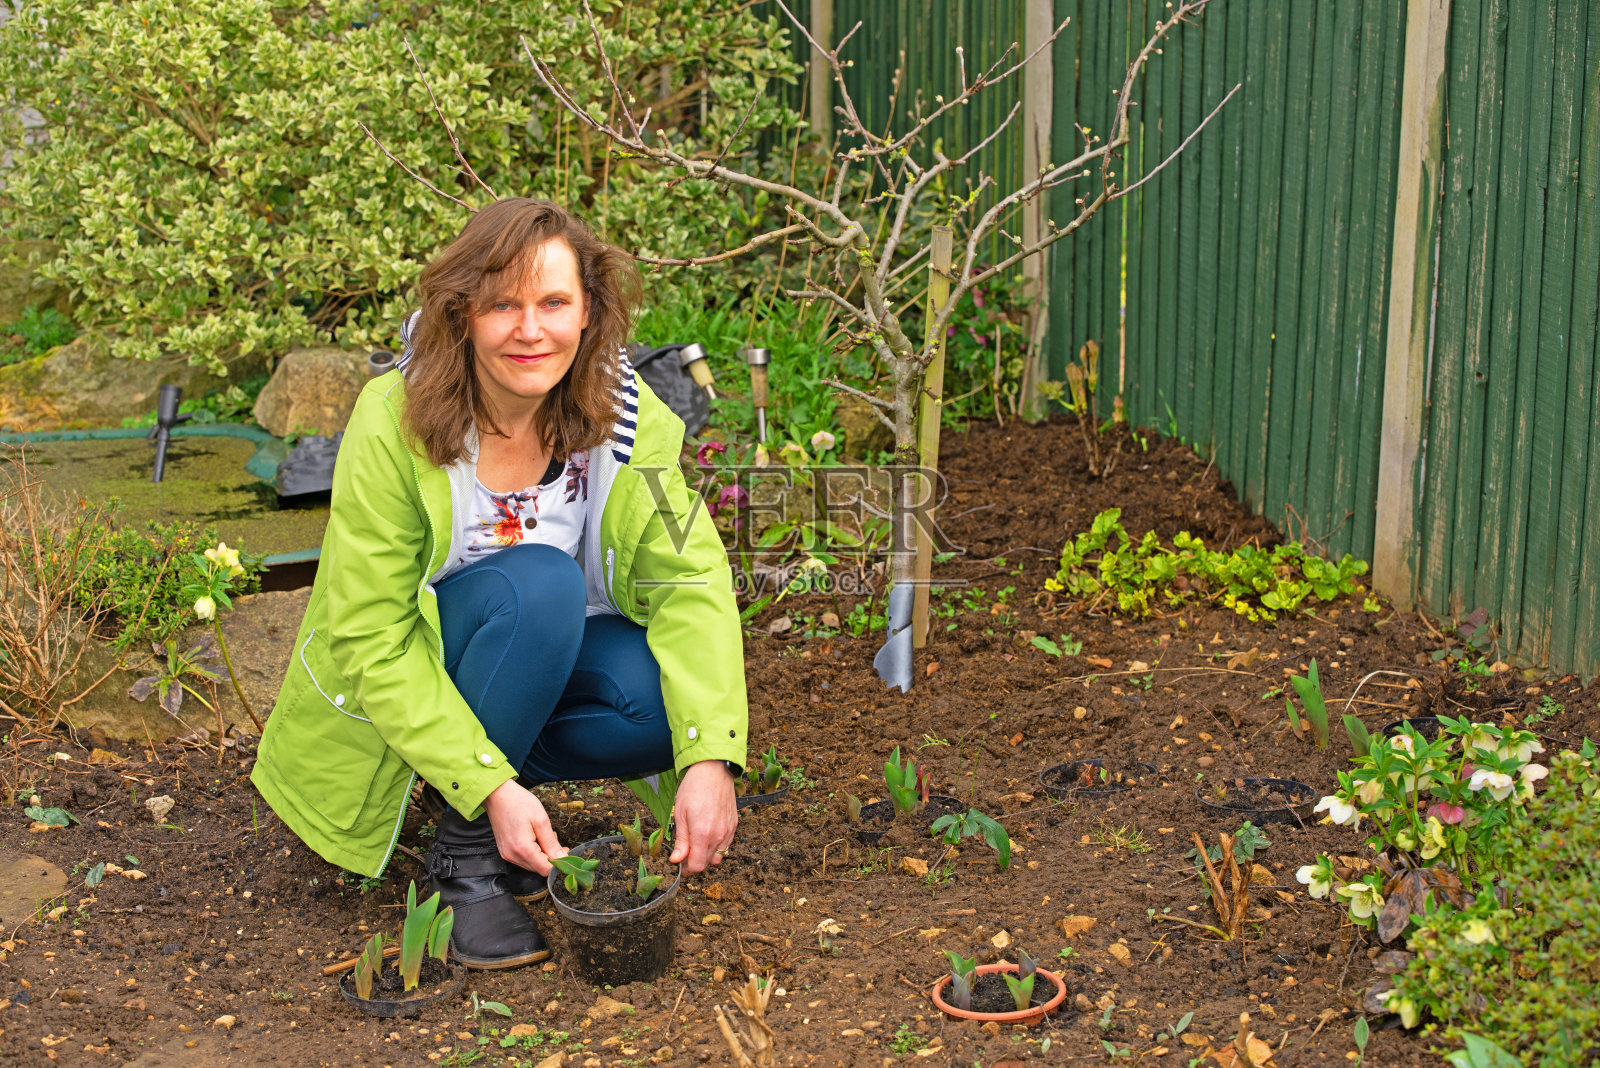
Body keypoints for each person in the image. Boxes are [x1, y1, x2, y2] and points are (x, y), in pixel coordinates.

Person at [251, 198, 748, 969]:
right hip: (409, 687)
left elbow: (690, 571)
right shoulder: (394, 421)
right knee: (539, 587)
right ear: (463, 314)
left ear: (589, 311)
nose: (530, 329)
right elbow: (371, 634)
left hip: (527, 665)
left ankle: (489, 794)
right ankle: (466, 858)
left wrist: (709, 757)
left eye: (554, 302)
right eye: (502, 305)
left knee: (657, 705)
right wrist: (489, 791)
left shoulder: (628, 421)